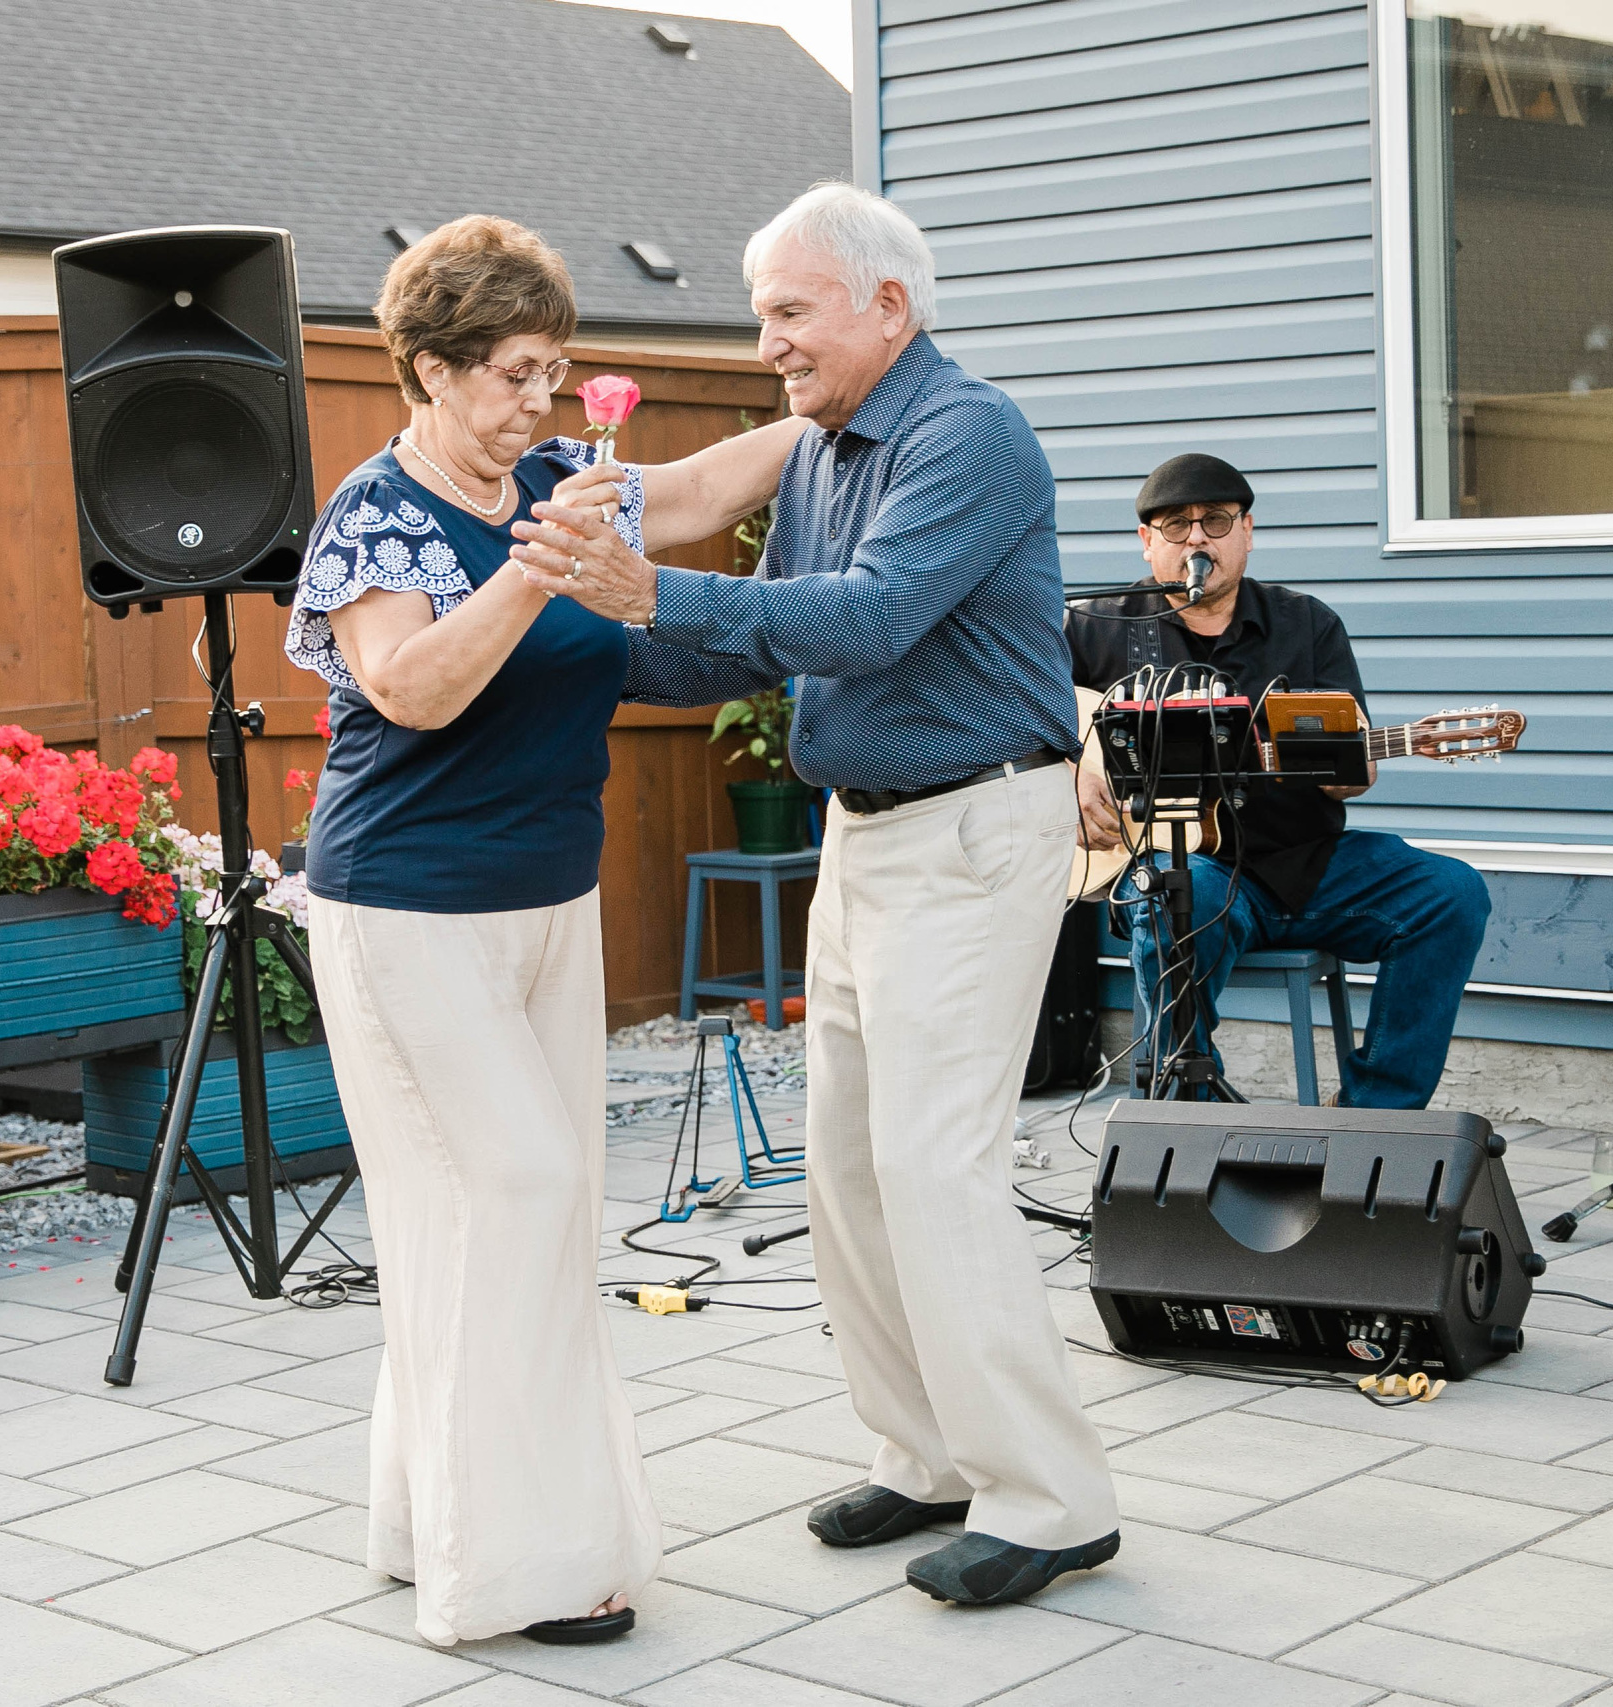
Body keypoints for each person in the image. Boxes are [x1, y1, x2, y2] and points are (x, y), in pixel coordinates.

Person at [511, 182, 1120, 1607]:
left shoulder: (968, 434)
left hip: (976, 832)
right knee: (845, 1166)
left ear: (887, 306)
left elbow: (868, 616)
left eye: (791, 309)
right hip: (872, 832)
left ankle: (1054, 1495)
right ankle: (927, 1457)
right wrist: (575, 621)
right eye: (762, 311)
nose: (767, 339)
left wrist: (644, 587)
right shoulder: (831, 449)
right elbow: (751, 652)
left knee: (934, 1165)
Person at [281, 214, 795, 1647]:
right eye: (514, 374)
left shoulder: (567, 475)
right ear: (433, 371)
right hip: (407, 908)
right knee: (517, 1191)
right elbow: (414, 689)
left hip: (548, 903)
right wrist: (535, 560)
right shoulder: (374, 515)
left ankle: (423, 1517)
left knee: (507, 1217)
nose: (542, 403)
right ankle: (529, 1561)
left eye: (556, 373)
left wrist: (823, 415)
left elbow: (688, 492)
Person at [1069, 453, 1493, 1107]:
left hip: (1309, 864)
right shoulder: (1098, 625)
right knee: (1175, 894)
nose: (1198, 538)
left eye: (1215, 520)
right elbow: (1010, 713)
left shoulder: (1307, 624)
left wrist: (1355, 766)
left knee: (1452, 894)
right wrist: (1071, 774)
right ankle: (1183, 1123)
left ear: (1247, 530)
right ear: (1146, 540)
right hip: (1193, 876)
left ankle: (1374, 1118)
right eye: (1176, 525)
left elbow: (1354, 776)